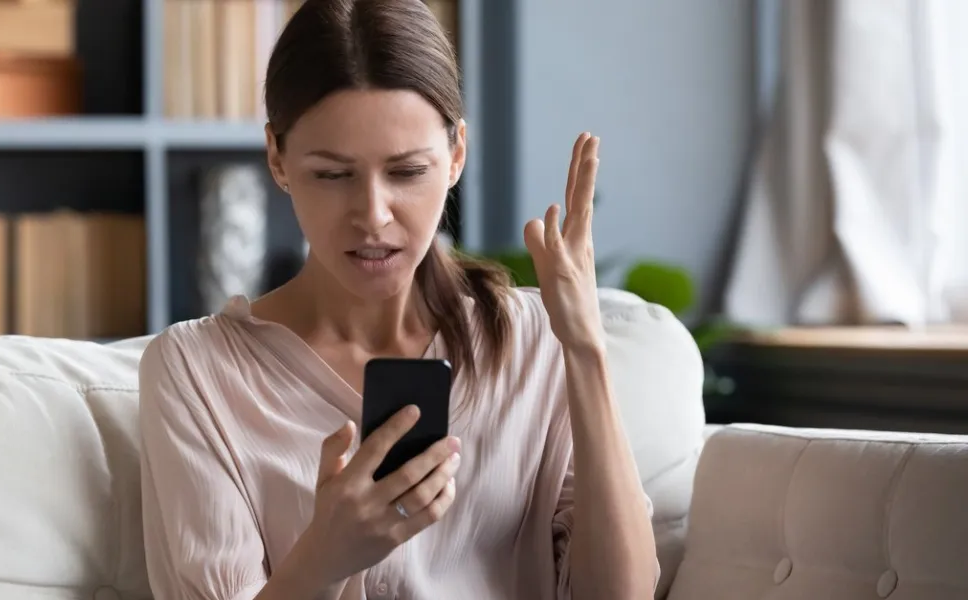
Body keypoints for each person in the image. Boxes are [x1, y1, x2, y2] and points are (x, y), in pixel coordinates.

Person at [138, 0, 659, 598]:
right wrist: (325, 557)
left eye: (408, 172)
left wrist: (586, 350)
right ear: (278, 158)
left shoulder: (534, 341)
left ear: (457, 153)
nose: (373, 216)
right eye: (333, 175)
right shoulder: (196, 371)